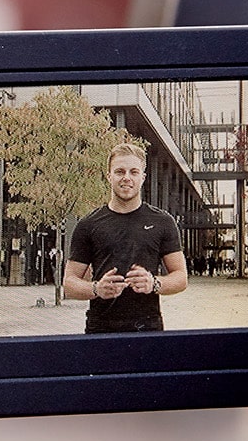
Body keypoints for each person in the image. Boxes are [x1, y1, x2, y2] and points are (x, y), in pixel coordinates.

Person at [63, 141, 188, 333]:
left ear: (143, 177)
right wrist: (96, 289)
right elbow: (70, 283)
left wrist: (153, 283)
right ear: (109, 176)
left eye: (133, 172)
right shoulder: (88, 224)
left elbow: (180, 278)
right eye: (120, 172)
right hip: (101, 327)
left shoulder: (163, 222)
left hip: (147, 327)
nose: (126, 178)